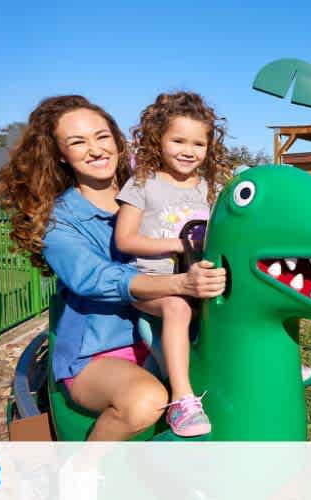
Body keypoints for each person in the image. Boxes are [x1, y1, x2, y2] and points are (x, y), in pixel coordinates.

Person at [0, 95, 226, 441]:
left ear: (117, 141)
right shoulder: (61, 222)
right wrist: (179, 284)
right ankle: (83, 471)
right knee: (146, 400)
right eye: (77, 141)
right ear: (59, 153)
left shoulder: (159, 186)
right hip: (101, 349)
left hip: (169, 334)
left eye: (102, 136)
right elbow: (95, 278)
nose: (95, 149)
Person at [114, 92, 233, 437]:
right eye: (178, 140)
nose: (188, 150)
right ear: (158, 140)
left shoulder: (212, 189)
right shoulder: (143, 185)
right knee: (178, 307)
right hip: (151, 284)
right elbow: (124, 240)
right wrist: (182, 244)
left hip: (198, 282)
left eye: (198, 143)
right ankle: (182, 401)